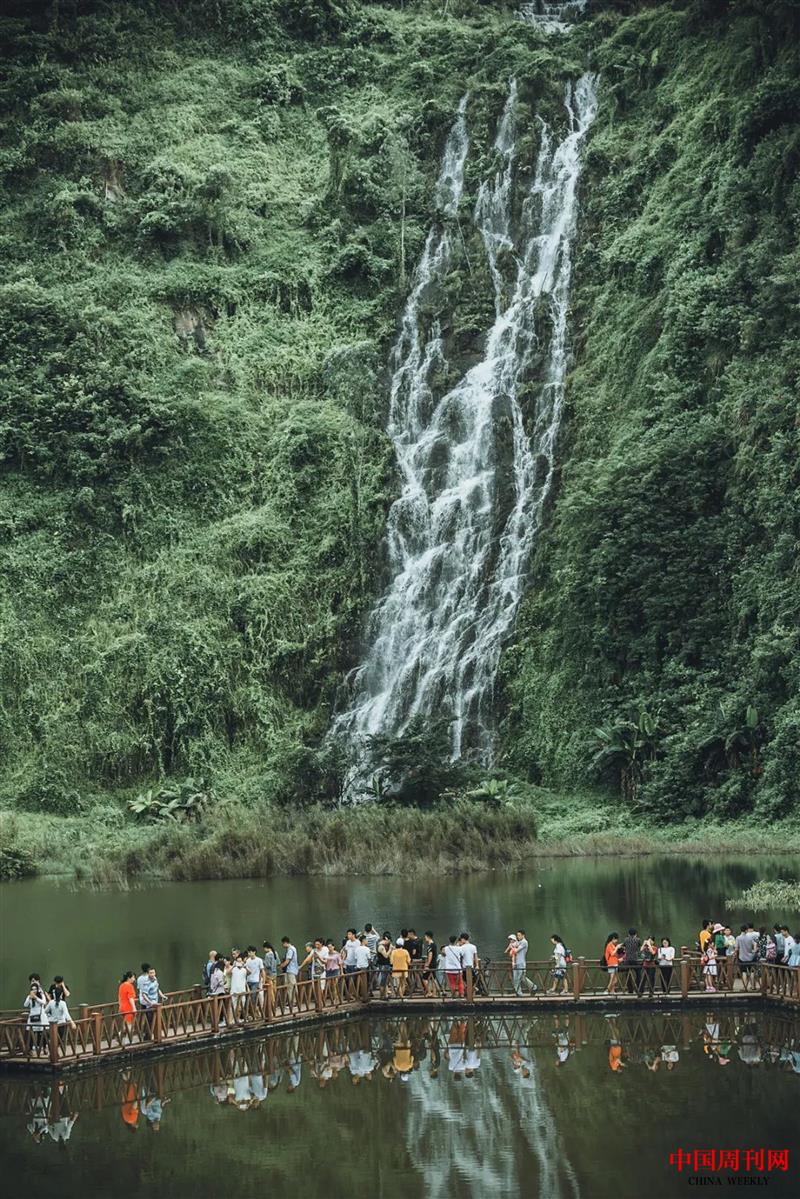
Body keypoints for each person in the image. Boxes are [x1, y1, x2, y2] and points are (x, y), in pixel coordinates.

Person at [24, 975, 49, 1054]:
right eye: (32, 989)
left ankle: (44, 1048)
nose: (34, 990)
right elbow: (25, 1005)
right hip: (32, 1016)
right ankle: (30, 1049)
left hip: (40, 1016)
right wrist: (30, 997)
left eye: (35, 989)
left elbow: (44, 1002)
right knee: (31, 1032)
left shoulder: (41, 995)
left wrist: (36, 997)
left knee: (41, 1032)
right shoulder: (29, 996)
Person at [139, 966, 166, 1037]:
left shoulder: (155, 980)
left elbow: (157, 989)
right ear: (148, 974)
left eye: (153, 972)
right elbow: (144, 994)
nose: (152, 974)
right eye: (150, 973)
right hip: (150, 1004)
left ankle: (158, 1034)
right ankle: (148, 1036)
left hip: (156, 1003)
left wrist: (162, 995)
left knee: (158, 1018)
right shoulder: (146, 983)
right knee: (150, 1020)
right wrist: (149, 1002)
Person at [512, 930, 536, 995]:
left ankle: (520, 992)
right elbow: (513, 945)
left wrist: (513, 947)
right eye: (517, 935)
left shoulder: (524, 942)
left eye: (519, 935)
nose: (518, 937)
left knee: (520, 978)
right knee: (518, 978)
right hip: (516, 962)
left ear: (523, 935)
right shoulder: (519, 942)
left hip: (521, 962)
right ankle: (532, 987)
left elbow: (516, 950)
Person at [735, 924, 758, 990]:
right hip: (750, 957)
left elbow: (736, 948)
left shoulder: (738, 938)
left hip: (742, 957)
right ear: (746, 930)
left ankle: (744, 986)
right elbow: (755, 944)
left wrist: (735, 953)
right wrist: (754, 950)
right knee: (752, 972)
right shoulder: (750, 938)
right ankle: (753, 986)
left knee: (744, 972)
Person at [621, 929, 641, 994]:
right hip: (635, 959)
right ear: (635, 934)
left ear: (628, 934)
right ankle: (638, 988)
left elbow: (623, 946)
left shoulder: (626, 940)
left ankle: (630, 990)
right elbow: (639, 948)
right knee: (638, 974)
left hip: (627, 959)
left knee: (627, 975)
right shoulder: (638, 940)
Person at [280, 937, 299, 1005]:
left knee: (292, 986)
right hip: (291, 969)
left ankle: (293, 1002)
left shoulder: (290, 949)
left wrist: (281, 966)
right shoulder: (293, 948)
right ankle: (291, 1001)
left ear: (285, 942)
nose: (282, 945)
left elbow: (288, 960)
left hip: (291, 969)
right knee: (290, 986)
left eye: (283, 943)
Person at [422, 932, 437, 996]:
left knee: (424, 978)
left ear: (428, 936)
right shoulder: (434, 945)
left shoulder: (430, 946)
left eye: (425, 937)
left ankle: (429, 992)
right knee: (433, 979)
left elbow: (430, 955)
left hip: (430, 965)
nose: (425, 938)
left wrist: (427, 964)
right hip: (434, 964)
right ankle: (434, 993)